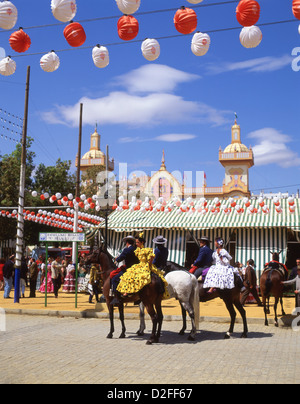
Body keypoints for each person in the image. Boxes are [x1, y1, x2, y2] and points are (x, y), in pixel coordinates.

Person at [117, 232, 169, 300]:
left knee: (138, 276)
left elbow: (151, 259)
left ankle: (136, 293)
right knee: (129, 275)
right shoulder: (137, 250)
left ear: (142, 242)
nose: (136, 244)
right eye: (136, 242)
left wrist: (149, 265)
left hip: (145, 265)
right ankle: (130, 291)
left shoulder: (146, 250)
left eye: (137, 242)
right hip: (140, 265)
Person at [110, 235, 140, 299]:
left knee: (114, 279)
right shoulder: (137, 249)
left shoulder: (126, 250)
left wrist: (116, 259)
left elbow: (120, 258)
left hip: (129, 269)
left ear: (127, 243)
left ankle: (116, 297)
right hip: (137, 269)